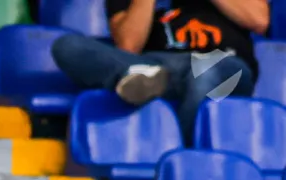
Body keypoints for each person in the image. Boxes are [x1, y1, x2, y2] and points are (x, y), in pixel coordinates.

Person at [51, 0, 266, 137]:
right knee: (67, 46)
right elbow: (128, 46)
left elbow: (259, 20)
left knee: (205, 74)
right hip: (160, 66)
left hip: (224, 63)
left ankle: (181, 160)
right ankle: (144, 78)